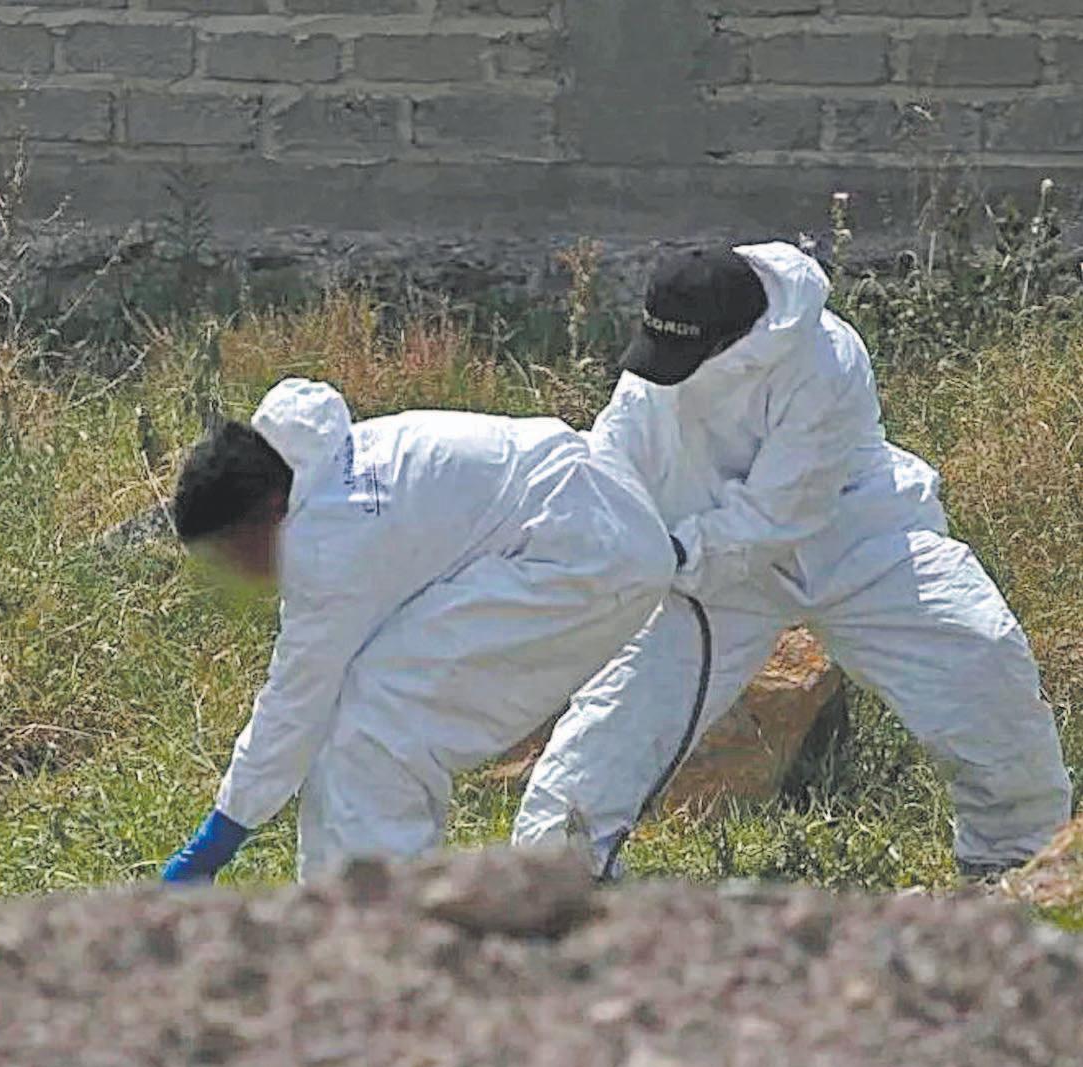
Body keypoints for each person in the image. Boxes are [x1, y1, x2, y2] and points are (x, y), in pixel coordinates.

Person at [512, 243, 1074, 879]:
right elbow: (613, 469)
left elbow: (782, 513)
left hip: (856, 538)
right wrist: (602, 547)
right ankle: (553, 880)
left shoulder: (826, 359)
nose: (667, 371)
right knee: (620, 711)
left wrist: (672, 552)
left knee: (979, 655)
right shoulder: (659, 370)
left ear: (737, 337)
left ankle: (1019, 866)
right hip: (709, 567)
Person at [160, 378, 677, 883]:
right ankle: (357, 902)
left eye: (231, 555)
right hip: (592, 513)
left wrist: (220, 834)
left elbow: (296, 702)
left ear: (268, 511)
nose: (236, 575)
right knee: (368, 701)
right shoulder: (329, 468)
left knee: (380, 722)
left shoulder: (325, 545)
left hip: (585, 558)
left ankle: (379, 916)